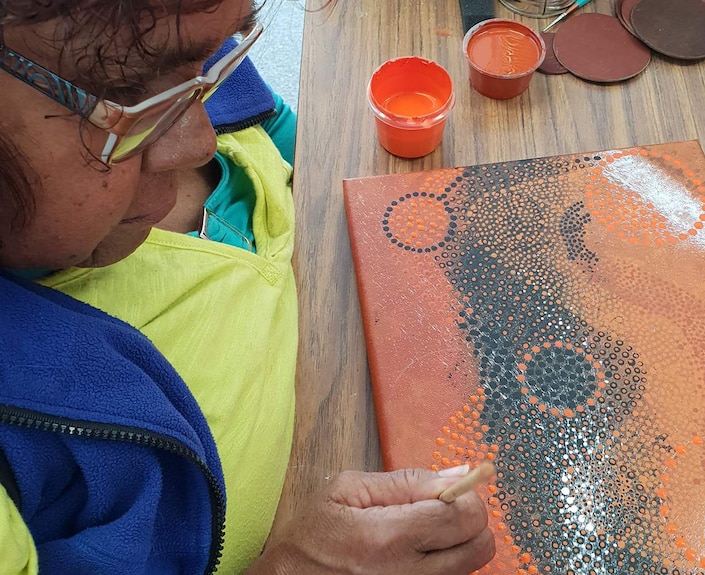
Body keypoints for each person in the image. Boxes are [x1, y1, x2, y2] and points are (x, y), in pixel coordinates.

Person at [0, 0, 495, 573]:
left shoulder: (180, 48)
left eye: (209, 65)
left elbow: (281, 137)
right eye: (132, 99)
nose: (199, 141)